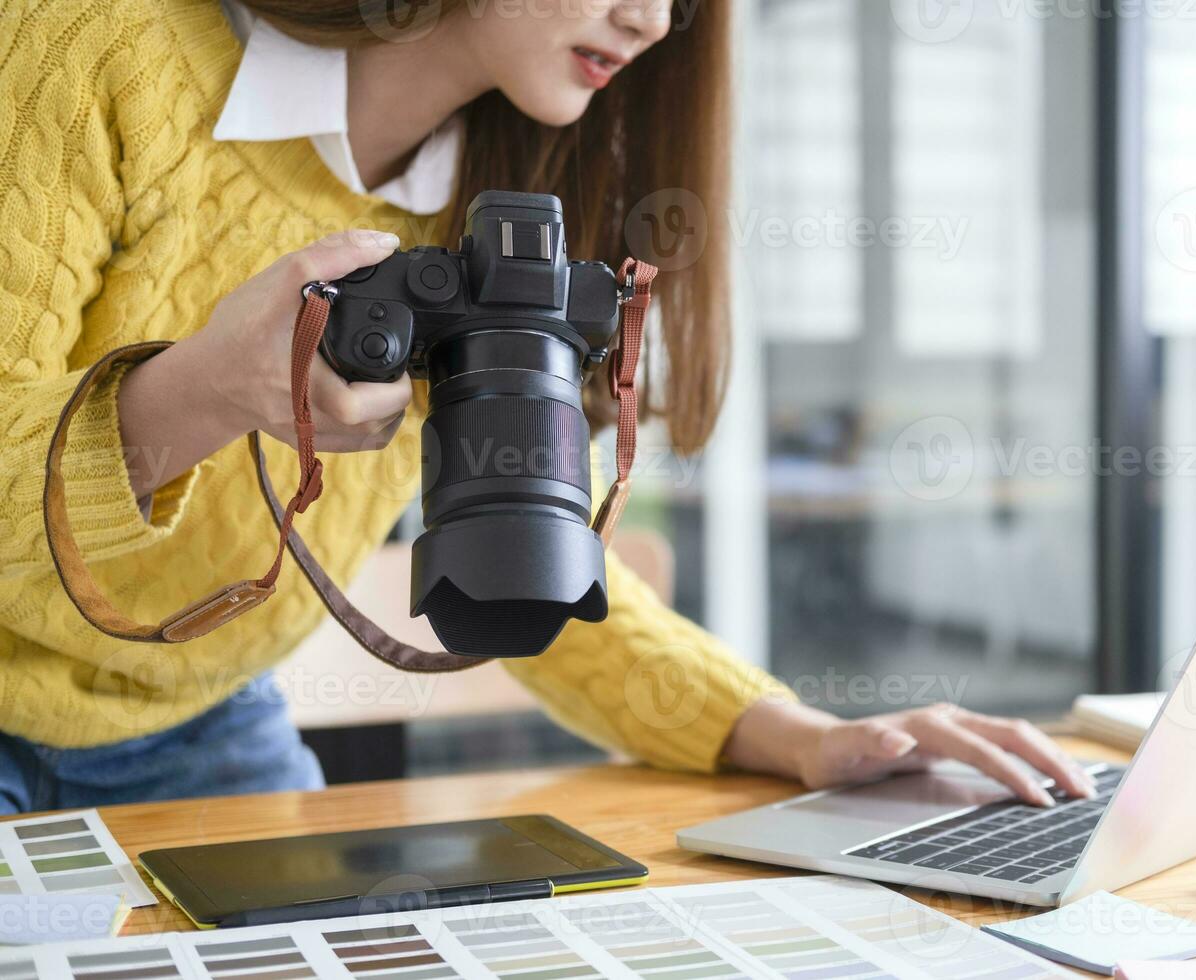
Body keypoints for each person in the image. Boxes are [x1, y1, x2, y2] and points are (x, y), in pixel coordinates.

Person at [0, 0, 1096, 813]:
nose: (655, 20)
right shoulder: (93, 43)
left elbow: (515, 553)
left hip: (200, 720)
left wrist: (798, 734)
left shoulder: (508, 196)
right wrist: (203, 391)